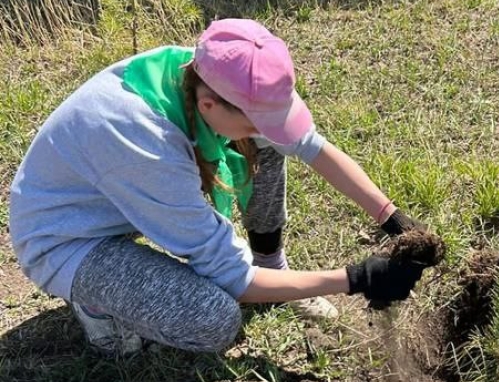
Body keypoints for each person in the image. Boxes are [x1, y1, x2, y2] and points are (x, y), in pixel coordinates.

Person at [10, 18, 426, 356]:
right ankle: (96, 302)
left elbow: (309, 146)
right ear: (209, 106)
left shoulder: (211, 73)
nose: (257, 131)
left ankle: (271, 265)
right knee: (213, 318)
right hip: (66, 240)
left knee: (267, 142)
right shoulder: (143, 142)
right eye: (249, 120)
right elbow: (230, 277)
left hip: (116, 197)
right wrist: (355, 278)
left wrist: (392, 219)